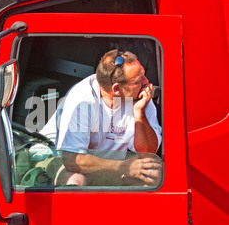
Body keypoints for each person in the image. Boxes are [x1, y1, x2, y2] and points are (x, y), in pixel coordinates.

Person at [40, 49, 162, 187]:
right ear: (117, 89)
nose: (147, 82)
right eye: (139, 80)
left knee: (152, 175)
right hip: (55, 159)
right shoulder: (83, 100)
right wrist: (124, 167)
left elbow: (148, 152)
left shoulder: (139, 95)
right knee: (76, 180)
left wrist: (138, 112)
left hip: (106, 166)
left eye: (144, 75)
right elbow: (72, 161)